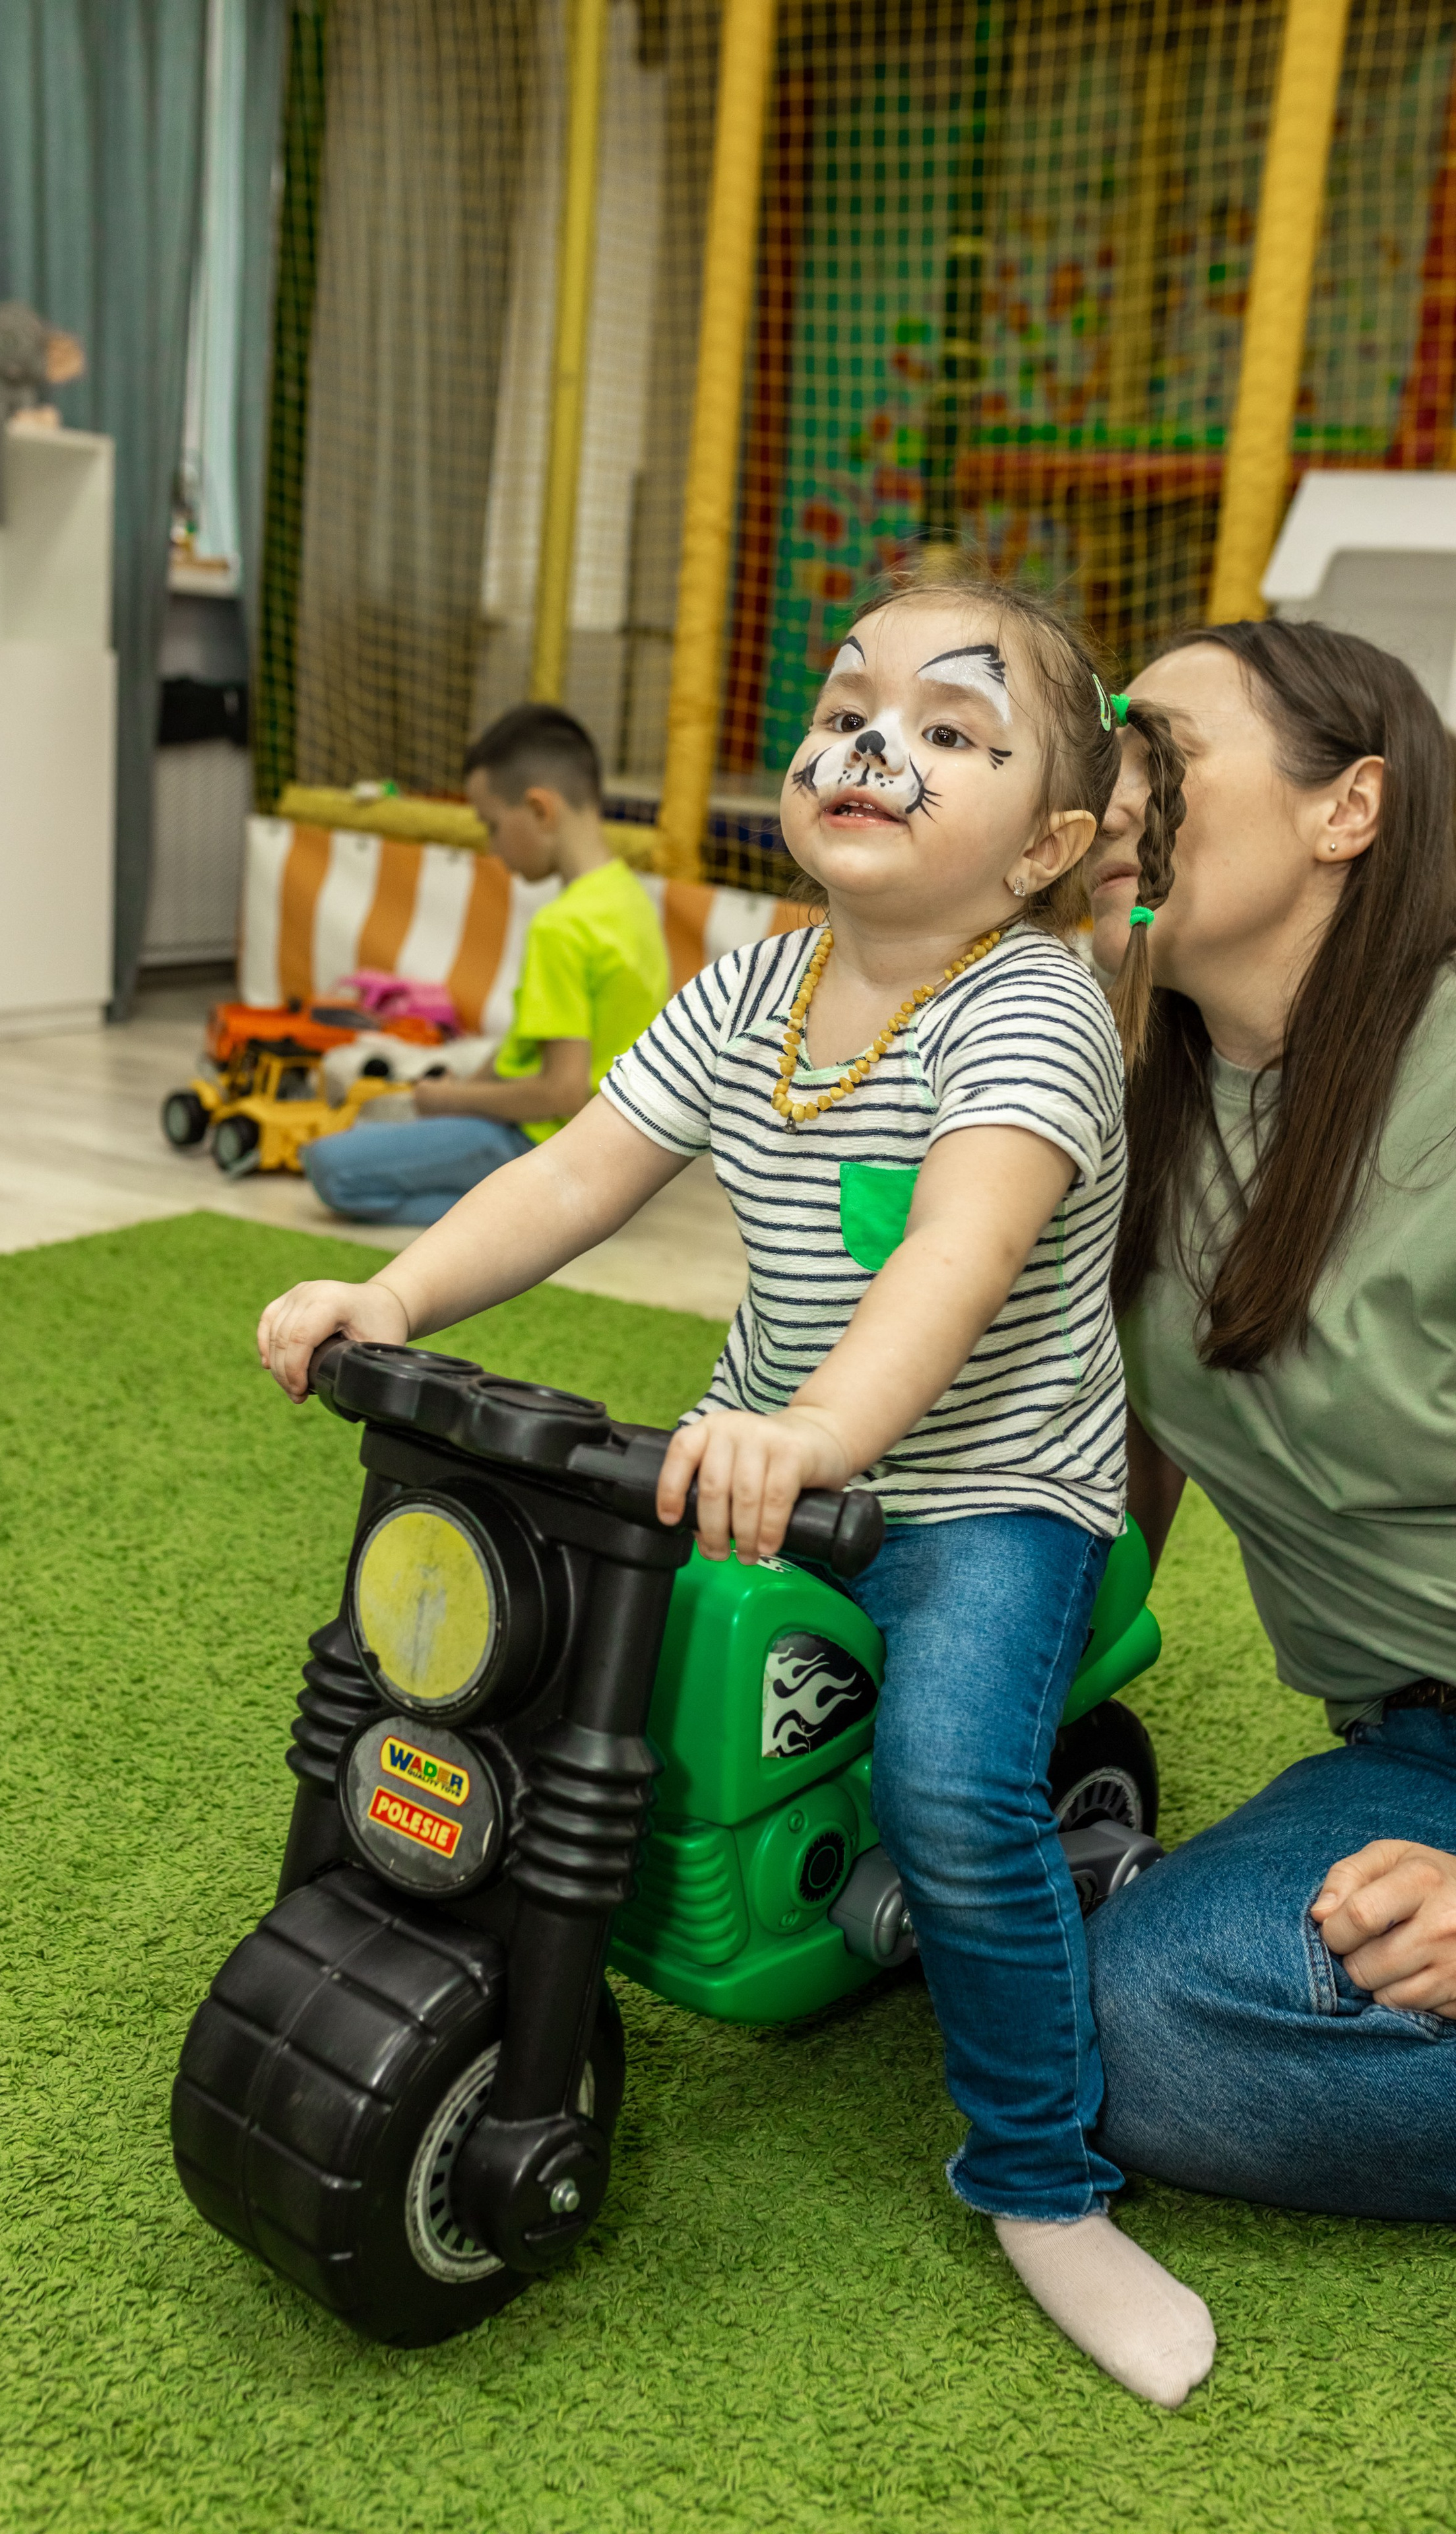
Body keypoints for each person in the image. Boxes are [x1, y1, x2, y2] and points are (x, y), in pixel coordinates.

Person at [258, 572, 1217, 2408]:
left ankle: (1043, 2180)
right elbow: (575, 1174)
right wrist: (392, 1294)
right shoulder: (758, 984)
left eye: (952, 731)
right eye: (852, 706)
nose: (876, 745)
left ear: (1052, 847)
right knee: (530, 1673)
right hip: (771, 1450)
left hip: (987, 1491)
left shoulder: (1029, 1017)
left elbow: (956, 1250)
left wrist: (828, 1434)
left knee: (948, 1773)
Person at [1082, 617, 1456, 2221]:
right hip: (1414, 1748)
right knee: (1140, 2019)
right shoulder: (1124, 1097)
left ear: (1344, 807)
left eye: (1157, 749)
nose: (1105, 793)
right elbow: (1107, 1479)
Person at [299, 702, 670, 1225]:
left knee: (329, 1165)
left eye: (492, 826)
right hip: (614, 1155)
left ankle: (538, 1218)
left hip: (538, 1143)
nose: (493, 848)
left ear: (540, 810)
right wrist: (470, 1085)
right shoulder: (630, 899)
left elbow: (562, 1091)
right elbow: (545, 1044)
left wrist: (455, 1101)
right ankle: (569, 1209)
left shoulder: (562, 927)